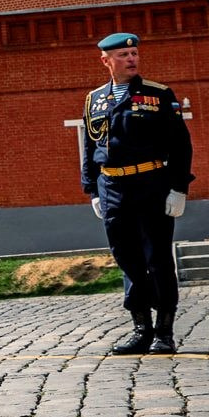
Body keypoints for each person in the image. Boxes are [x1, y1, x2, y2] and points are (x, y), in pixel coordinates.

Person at [79, 32, 193, 356]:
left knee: (157, 259)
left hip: (150, 184)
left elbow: (180, 144)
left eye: (134, 53)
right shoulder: (95, 99)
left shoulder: (158, 94)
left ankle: (165, 332)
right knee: (126, 258)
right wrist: (92, 190)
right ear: (106, 60)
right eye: (123, 55)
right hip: (112, 187)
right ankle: (141, 328)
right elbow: (89, 146)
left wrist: (178, 187)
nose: (131, 59)